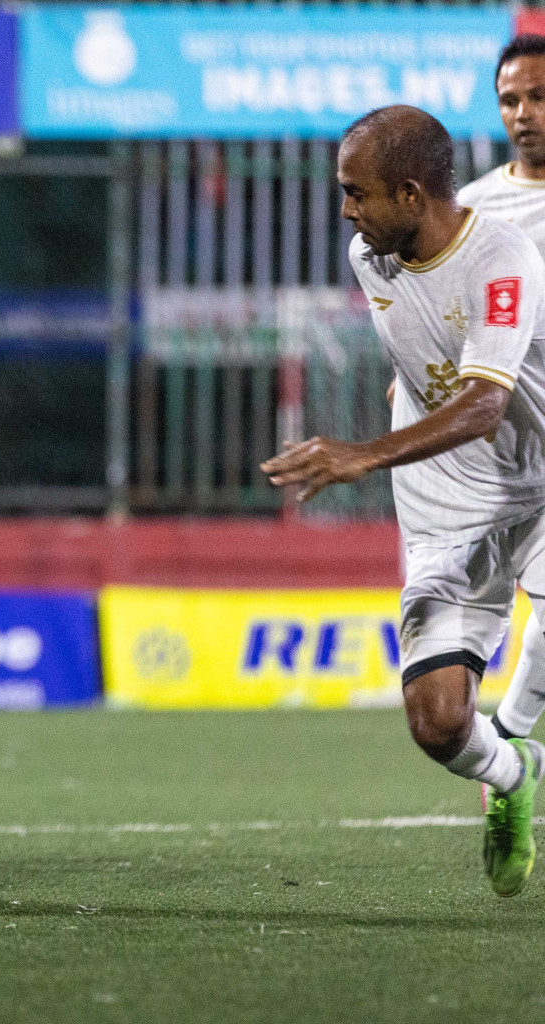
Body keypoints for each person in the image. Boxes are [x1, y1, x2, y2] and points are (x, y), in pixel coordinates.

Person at [263, 104, 545, 896]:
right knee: (438, 725)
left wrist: (362, 455)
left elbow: (486, 404)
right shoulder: (371, 256)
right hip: (443, 514)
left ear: (414, 193)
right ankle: (513, 769)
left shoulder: (503, 256)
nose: (347, 211)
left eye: (358, 193)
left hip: (539, 492)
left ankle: (520, 723)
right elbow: (422, 354)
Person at [455, 35, 545, 747]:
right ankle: (504, 744)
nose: (525, 114)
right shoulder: (474, 210)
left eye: (540, 97)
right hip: (500, 450)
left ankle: (511, 741)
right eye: (511, 100)